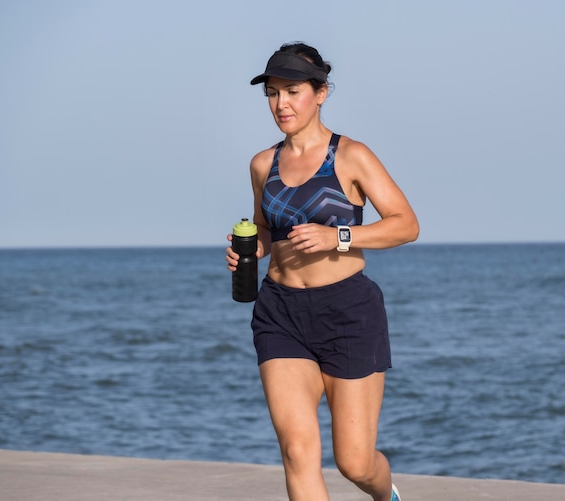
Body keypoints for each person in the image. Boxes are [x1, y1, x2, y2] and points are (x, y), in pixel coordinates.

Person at [226, 42, 419, 501]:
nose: (281, 104)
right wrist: (248, 250)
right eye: (272, 93)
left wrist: (341, 237)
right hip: (280, 312)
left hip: (348, 310)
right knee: (297, 451)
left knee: (354, 461)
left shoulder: (351, 156)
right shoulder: (262, 164)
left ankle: (386, 495)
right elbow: (271, 233)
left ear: (321, 93)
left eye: (292, 91)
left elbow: (406, 225)